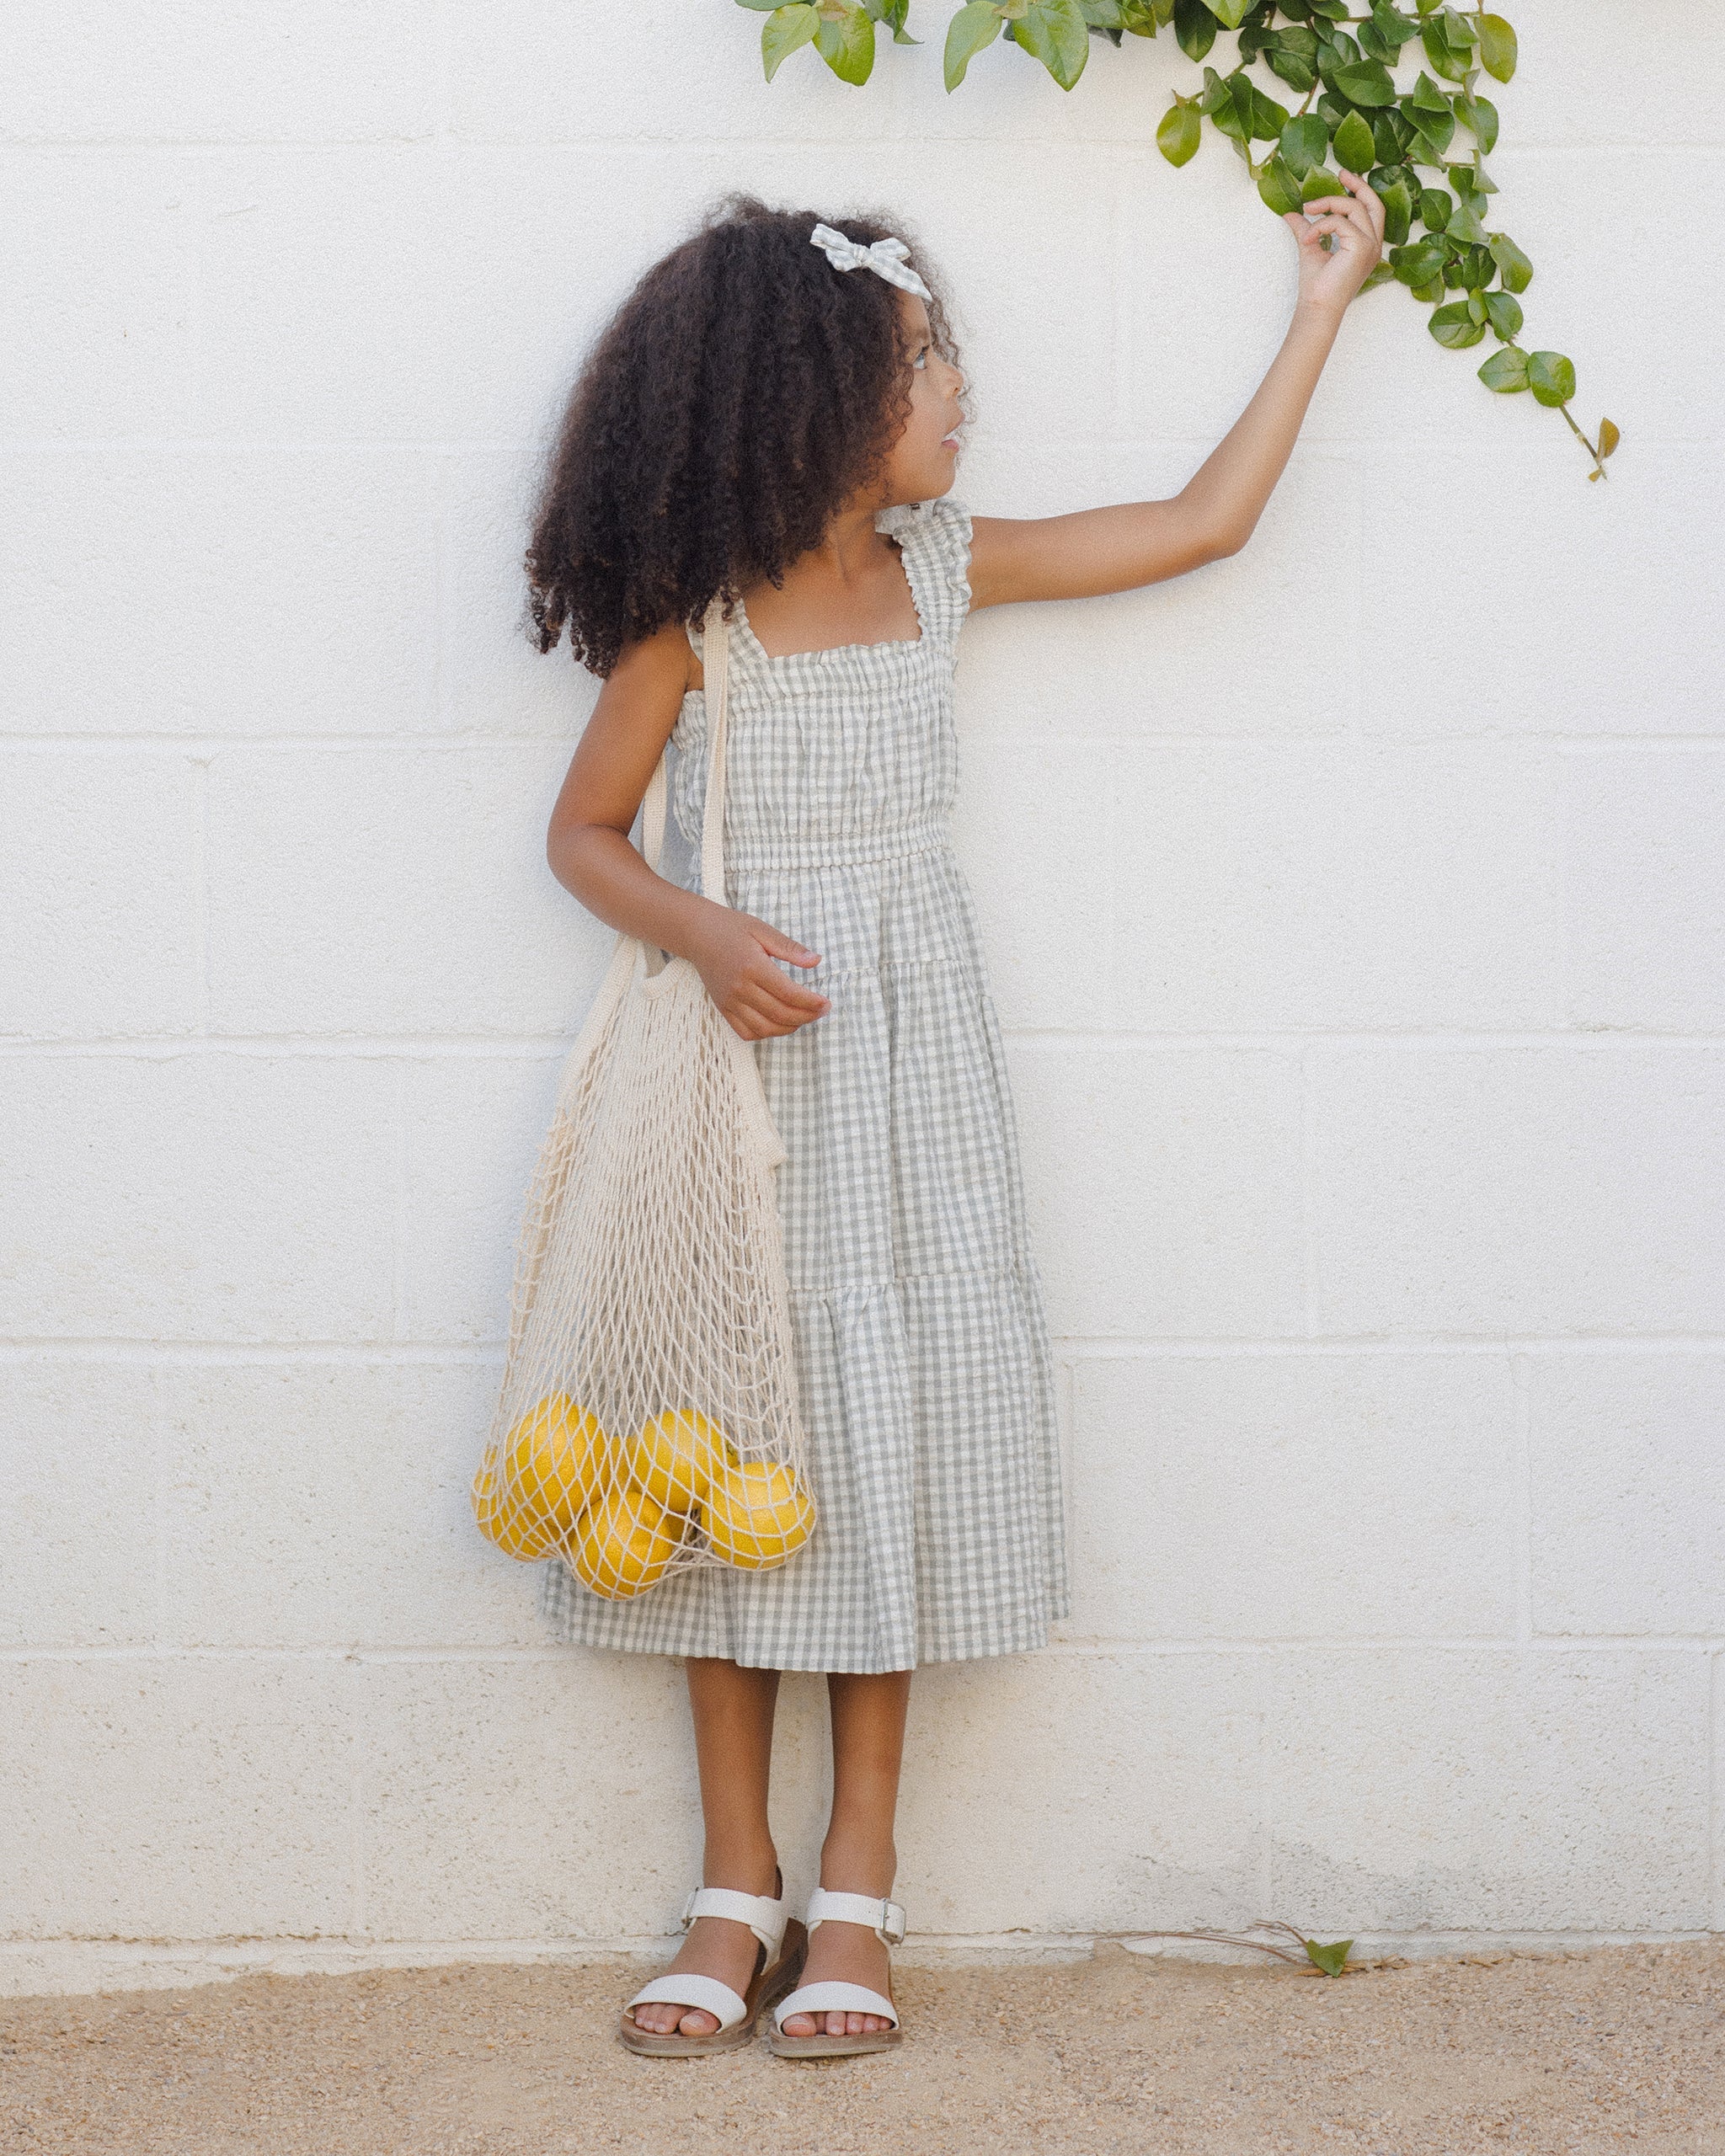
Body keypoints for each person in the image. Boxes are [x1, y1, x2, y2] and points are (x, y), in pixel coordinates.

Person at [525, 183, 1384, 2057]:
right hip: (743, 1090)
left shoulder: (936, 571)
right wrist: (702, 927)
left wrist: (1324, 302)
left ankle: (858, 1891)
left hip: (912, 1077)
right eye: (924, 360)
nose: (959, 389)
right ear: (811, 394)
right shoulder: (694, 625)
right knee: (723, 1452)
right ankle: (729, 1882)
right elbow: (582, 833)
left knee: (884, 1443)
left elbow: (1201, 523)